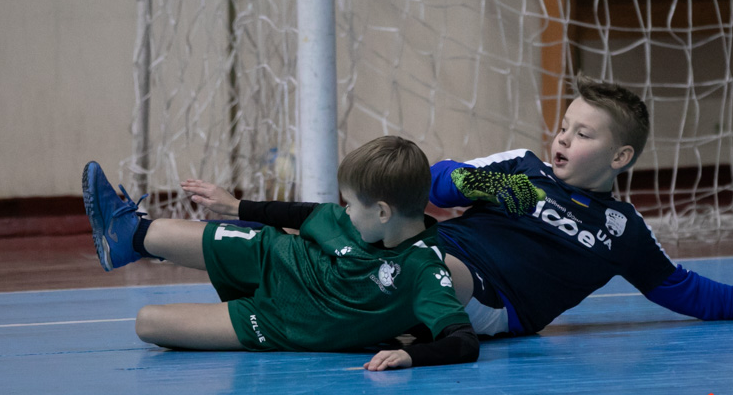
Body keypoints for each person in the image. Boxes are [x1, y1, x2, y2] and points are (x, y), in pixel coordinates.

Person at [199, 75, 733, 338]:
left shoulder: (621, 229)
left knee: (408, 263)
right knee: (368, 218)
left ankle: (281, 300)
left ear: (621, 156)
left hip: (493, 299)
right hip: (434, 249)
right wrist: (482, 185)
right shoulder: (521, 168)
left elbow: (679, 288)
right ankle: (170, 237)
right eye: (564, 126)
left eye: (583, 134)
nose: (563, 139)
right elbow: (430, 185)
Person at [81, 136, 479, 370]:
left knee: (148, 323)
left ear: (383, 212)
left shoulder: (424, 269)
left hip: (279, 322)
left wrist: (411, 357)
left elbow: (463, 341)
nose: (345, 210)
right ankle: (129, 237)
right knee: (160, 233)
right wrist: (237, 206)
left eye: (351, 203)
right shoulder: (358, 221)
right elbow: (304, 214)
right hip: (275, 257)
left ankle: (137, 241)